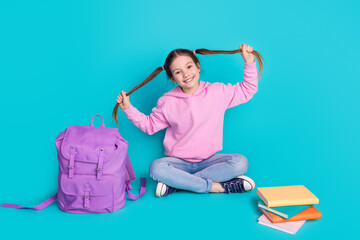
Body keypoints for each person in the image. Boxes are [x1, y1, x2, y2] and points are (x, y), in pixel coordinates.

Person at [115, 43, 262, 197]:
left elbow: (247, 90)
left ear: (198, 67)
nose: (186, 74)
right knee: (156, 168)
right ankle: (216, 187)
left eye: (189, 67)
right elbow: (149, 126)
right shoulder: (167, 102)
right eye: (178, 72)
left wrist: (249, 62)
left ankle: (178, 184)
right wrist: (128, 108)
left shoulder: (218, 92)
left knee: (240, 162)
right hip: (178, 164)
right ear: (172, 78)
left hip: (209, 161)